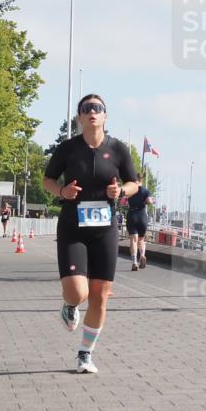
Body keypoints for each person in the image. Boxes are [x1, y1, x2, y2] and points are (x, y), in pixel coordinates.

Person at [43, 94, 139, 374]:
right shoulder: (68, 149)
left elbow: (134, 182)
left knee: (100, 294)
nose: (92, 112)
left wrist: (121, 191)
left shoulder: (118, 149)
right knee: (78, 292)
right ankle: (70, 305)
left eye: (98, 108)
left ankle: (85, 353)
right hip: (73, 226)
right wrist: (61, 191)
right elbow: (47, 179)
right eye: (87, 109)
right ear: (80, 117)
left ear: (105, 116)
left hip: (105, 228)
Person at [125, 184, 154, 270]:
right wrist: (146, 202)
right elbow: (149, 201)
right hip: (142, 216)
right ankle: (142, 255)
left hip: (132, 214)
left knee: (133, 240)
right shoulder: (145, 191)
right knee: (141, 239)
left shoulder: (129, 190)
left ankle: (134, 262)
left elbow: (122, 202)